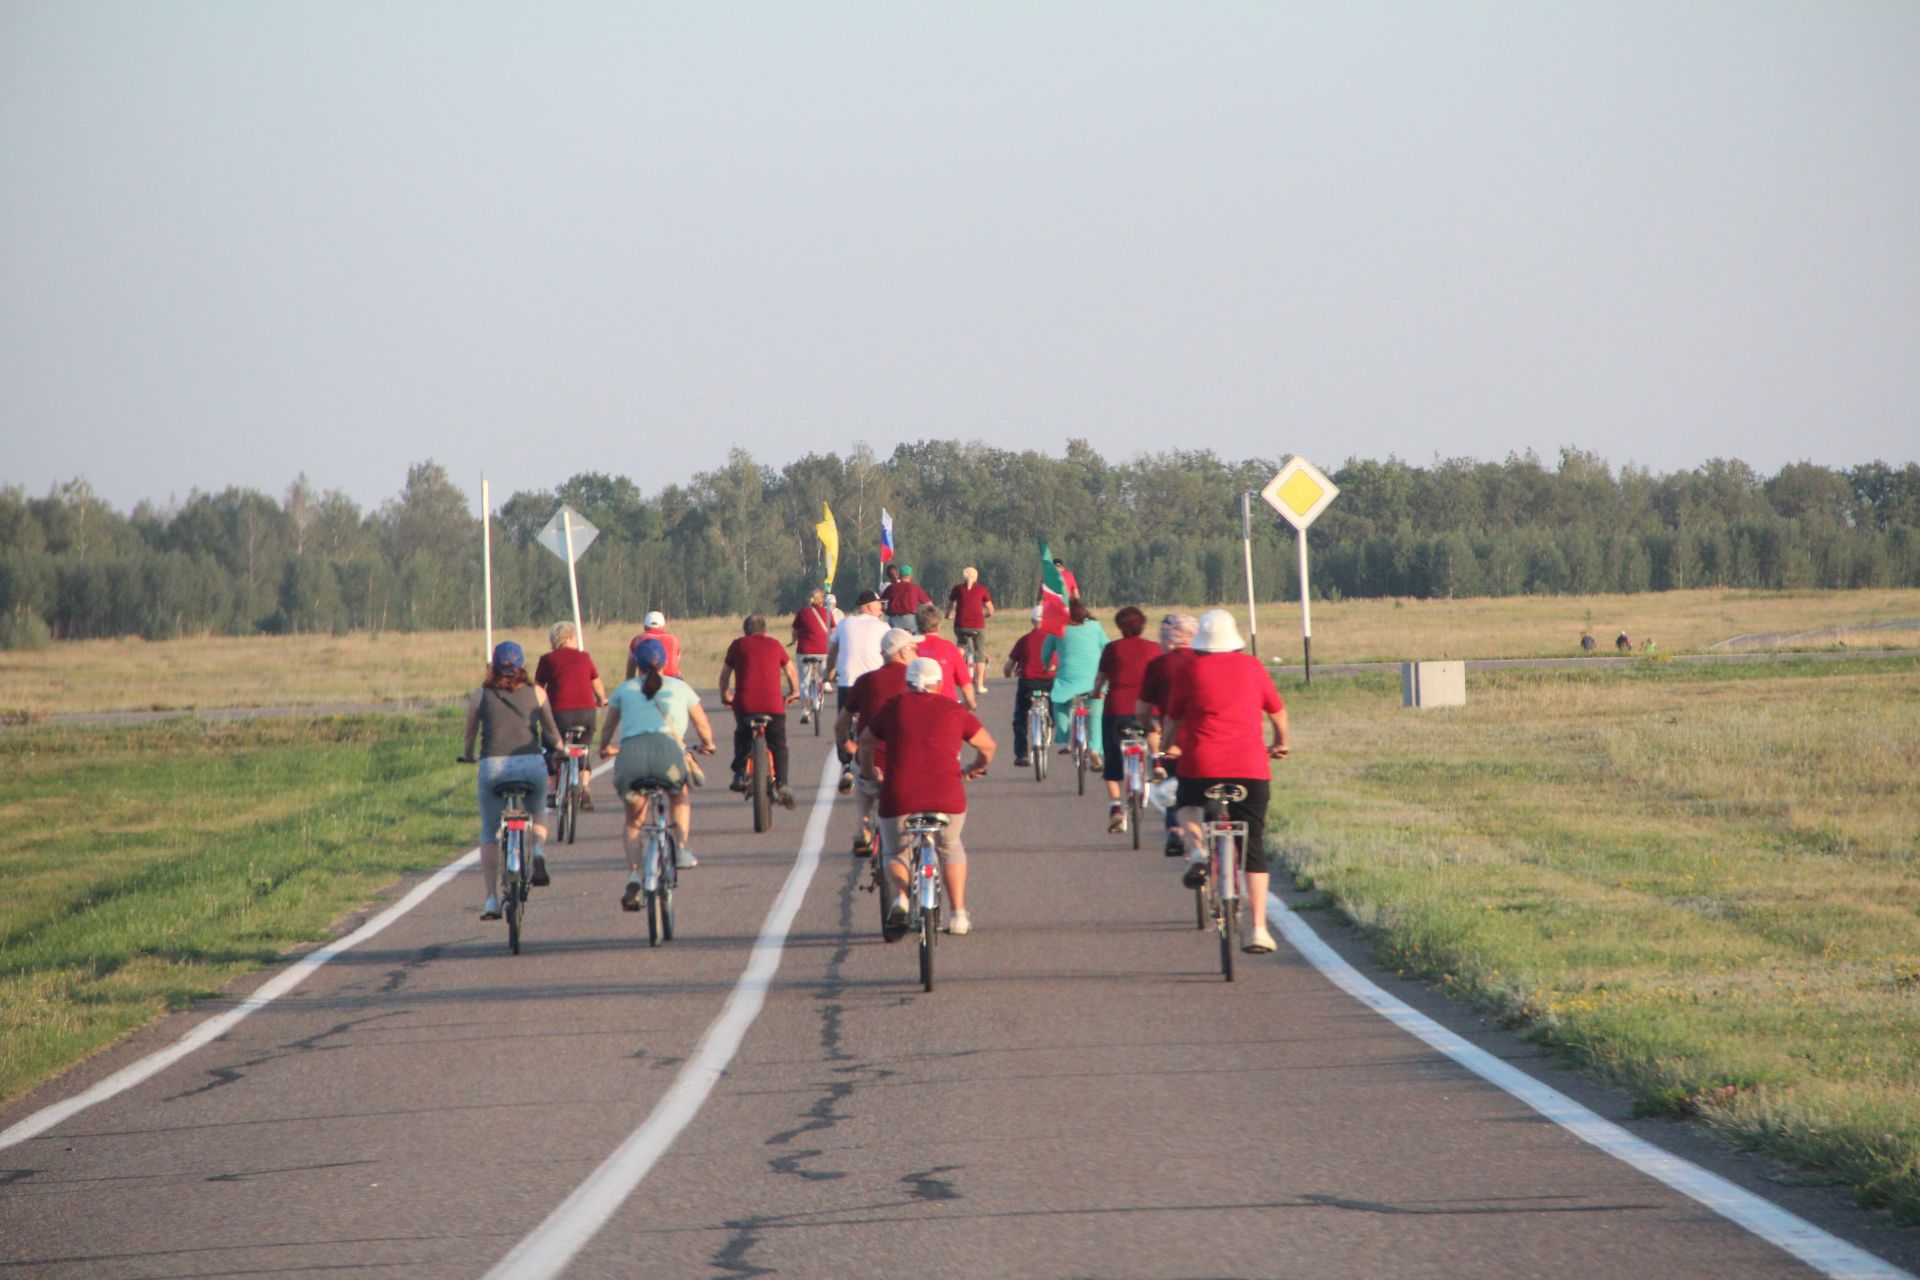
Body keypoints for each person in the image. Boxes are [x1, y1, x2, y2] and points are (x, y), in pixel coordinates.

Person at [1162, 609, 1290, 955]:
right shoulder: (1253, 667)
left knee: (1187, 806)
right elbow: (1277, 713)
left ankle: (1198, 850)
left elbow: (1172, 719)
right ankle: (1259, 929)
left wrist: (1165, 748)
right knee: (1255, 843)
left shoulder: (1191, 670)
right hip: (1250, 769)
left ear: (1202, 642)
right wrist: (1281, 743)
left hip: (1202, 765)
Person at [858, 657, 994, 938]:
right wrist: (976, 767)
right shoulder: (954, 710)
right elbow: (987, 745)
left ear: (908, 685)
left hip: (900, 796)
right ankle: (958, 914)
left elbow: (867, 741)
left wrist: (871, 770)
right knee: (951, 846)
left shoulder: (894, 708)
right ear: (941, 684)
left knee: (895, 851)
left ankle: (901, 899)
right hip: (947, 797)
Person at [599, 637, 717, 909]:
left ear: (636, 664)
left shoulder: (624, 689)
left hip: (632, 758)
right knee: (679, 794)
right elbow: (702, 724)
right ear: (665, 662)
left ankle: (633, 874)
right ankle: (683, 848)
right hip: (668, 755)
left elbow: (607, 729)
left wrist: (605, 748)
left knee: (633, 819)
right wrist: (708, 745)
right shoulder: (680, 687)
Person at [462, 641, 562, 919]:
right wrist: (561, 749)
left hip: (493, 767)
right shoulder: (538, 693)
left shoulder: (480, 695)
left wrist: (468, 755)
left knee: (489, 831)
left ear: (493, 666)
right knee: (539, 808)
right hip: (530, 764)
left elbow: (470, 736)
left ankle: (492, 898)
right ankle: (538, 850)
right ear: (522, 666)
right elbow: (551, 732)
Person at [835, 627, 918, 856]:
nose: (917, 654)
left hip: (872, 759)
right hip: (906, 762)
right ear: (902, 653)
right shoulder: (916, 682)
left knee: (862, 775)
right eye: (914, 649)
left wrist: (846, 745)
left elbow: (841, 723)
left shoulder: (865, 681)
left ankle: (863, 826)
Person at [1088, 605, 1161, 833]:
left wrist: (1095, 693)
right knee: (1151, 726)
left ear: (1120, 627)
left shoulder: (1112, 649)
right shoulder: (1154, 648)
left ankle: (1115, 808)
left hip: (1117, 707)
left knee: (1111, 757)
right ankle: (1157, 761)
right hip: (1147, 705)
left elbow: (1100, 679)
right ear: (1143, 625)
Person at [719, 613, 799, 809]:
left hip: (745, 704)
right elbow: (790, 671)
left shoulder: (738, 645)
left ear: (745, 631)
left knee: (742, 734)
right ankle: (782, 783)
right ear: (765, 630)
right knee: (778, 744)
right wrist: (794, 692)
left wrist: (725, 695)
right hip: (773, 706)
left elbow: (725, 675)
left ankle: (739, 773)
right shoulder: (775, 645)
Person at [1138, 613, 1199, 856]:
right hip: (1207, 737)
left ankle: (1175, 828)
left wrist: (1150, 728)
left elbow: (1142, 710)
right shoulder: (1203, 662)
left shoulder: (1159, 665)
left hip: (1173, 740)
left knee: (1177, 787)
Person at [533, 620, 606, 811]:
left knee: (549, 747)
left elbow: (538, 689)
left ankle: (554, 791)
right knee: (583, 749)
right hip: (586, 713)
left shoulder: (547, 659)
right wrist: (602, 699)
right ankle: (586, 786)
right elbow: (596, 684)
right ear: (571, 638)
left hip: (558, 714)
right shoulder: (585, 657)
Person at [825, 590, 890, 790]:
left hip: (848, 682)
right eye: (879, 604)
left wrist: (829, 672)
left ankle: (846, 765)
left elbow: (833, 650)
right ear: (870, 606)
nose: (882, 607)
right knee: (877, 723)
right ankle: (877, 762)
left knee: (843, 722)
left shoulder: (844, 623)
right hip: (873, 683)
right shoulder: (883, 627)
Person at [1042, 598, 1108, 766]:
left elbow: (1045, 653)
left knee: (1059, 703)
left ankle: (1063, 739)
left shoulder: (1058, 628)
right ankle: (1095, 749)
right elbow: (1107, 648)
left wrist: (1047, 666)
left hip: (1068, 681)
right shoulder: (1095, 626)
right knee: (1096, 716)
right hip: (1094, 681)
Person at [1003, 604, 1059, 767]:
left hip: (1027, 682)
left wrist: (1008, 674)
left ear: (1032, 621)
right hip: (1050, 681)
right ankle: (1054, 719)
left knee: (1020, 716)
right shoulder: (1055, 639)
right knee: (1055, 700)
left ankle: (1021, 755)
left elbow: (1008, 666)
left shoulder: (1024, 640)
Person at [913, 604, 977, 710]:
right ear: (938, 625)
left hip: (916, 706)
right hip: (947, 705)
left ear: (917, 624)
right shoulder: (948, 647)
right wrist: (971, 704)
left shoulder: (909, 647)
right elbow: (965, 685)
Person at [946, 567, 996, 694]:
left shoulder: (957, 588)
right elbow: (991, 609)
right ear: (976, 577)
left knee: (960, 647)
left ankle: (951, 677)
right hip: (977, 625)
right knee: (979, 652)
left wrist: (947, 615)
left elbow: (949, 604)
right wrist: (985, 615)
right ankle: (979, 685)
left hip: (960, 625)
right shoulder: (982, 589)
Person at [791, 589, 837, 722]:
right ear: (822, 600)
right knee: (823, 676)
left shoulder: (802, 613)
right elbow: (833, 631)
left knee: (804, 682)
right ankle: (820, 696)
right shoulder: (827, 613)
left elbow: (795, 631)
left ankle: (805, 710)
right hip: (823, 651)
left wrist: (794, 640)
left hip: (804, 651)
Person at [627, 611, 682, 679]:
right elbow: (676, 666)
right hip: (673, 679)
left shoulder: (636, 640)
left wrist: (628, 685)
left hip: (645, 681)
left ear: (645, 626)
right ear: (663, 626)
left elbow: (630, 670)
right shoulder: (673, 640)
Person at [883, 564, 932, 632]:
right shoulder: (914, 588)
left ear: (899, 575)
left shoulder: (891, 587)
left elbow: (881, 601)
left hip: (894, 620)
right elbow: (929, 604)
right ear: (910, 576)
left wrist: (885, 611)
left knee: (893, 640)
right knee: (913, 640)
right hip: (910, 620)